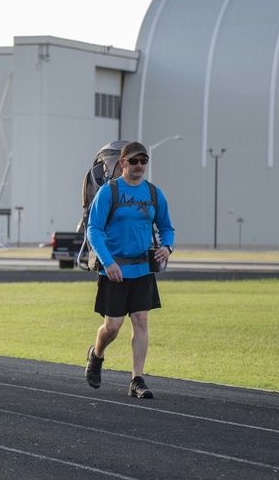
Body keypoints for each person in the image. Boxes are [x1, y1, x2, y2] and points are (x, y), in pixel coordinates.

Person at [84, 141, 176, 398]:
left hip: (142, 269)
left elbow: (167, 227)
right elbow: (94, 230)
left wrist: (167, 248)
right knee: (112, 326)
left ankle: (137, 380)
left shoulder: (154, 194)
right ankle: (96, 355)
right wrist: (108, 262)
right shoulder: (108, 192)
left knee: (141, 321)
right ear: (122, 163)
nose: (139, 166)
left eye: (143, 161)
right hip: (114, 269)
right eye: (133, 161)